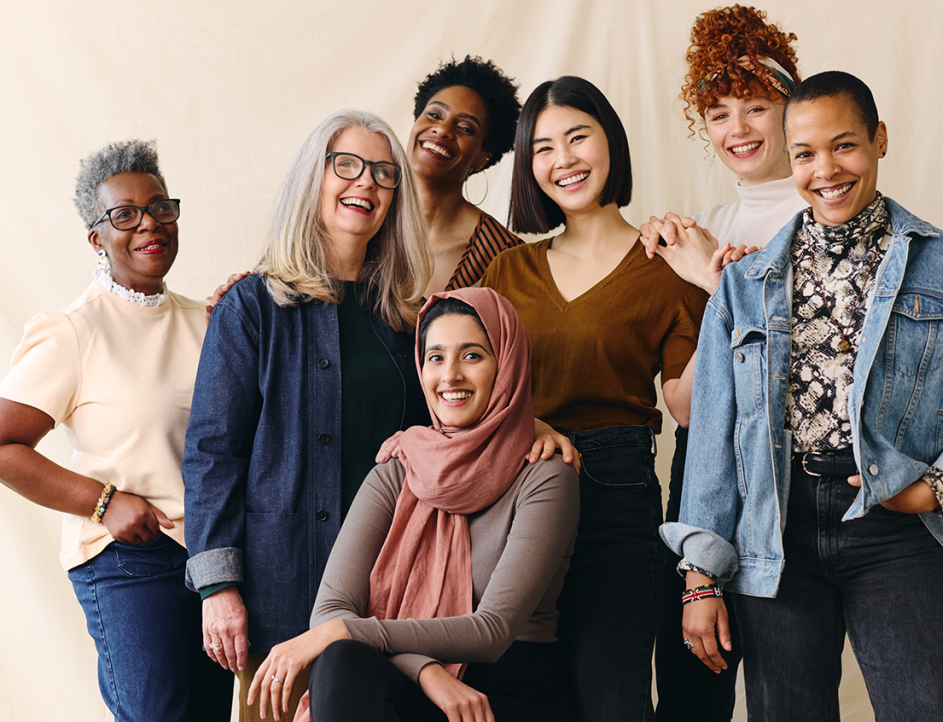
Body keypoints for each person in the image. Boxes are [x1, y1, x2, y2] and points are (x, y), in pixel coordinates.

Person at [661, 71, 943, 721]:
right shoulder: (745, 283)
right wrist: (699, 577)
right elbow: (714, 435)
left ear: (879, 140)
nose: (825, 169)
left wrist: (939, 485)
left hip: (897, 530)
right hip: (778, 533)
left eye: (844, 145)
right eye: (804, 154)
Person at [182, 109, 433, 721]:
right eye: (345, 165)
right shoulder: (253, 306)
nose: (365, 184)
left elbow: (447, 435)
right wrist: (219, 588)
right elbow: (213, 452)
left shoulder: (412, 318)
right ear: (312, 179)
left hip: (391, 585)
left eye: (383, 173)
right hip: (281, 583)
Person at [481, 76, 707, 722]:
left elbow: (685, 406)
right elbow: (471, 394)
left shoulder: (667, 264)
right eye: (543, 148)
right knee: (522, 701)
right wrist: (531, 423)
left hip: (618, 498)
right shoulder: (507, 272)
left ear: (611, 141)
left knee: (613, 701)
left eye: (578, 136)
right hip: (514, 496)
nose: (564, 159)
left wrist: (721, 297)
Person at [244, 287, 579, 722]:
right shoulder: (397, 467)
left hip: (509, 686)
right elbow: (331, 610)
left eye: (473, 355)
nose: (451, 375)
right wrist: (425, 671)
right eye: (435, 357)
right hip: (412, 682)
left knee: (341, 644)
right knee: (341, 662)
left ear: (507, 364)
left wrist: (345, 630)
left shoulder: (546, 473)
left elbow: (492, 630)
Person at [0, 139, 233, 721]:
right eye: (124, 214)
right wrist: (103, 503)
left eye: (160, 207)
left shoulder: (209, 320)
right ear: (96, 238)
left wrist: (249, 310)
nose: (148, 223)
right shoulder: (73, 330)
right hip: (129, 559)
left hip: (210, 559)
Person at [636, 6, 806, 719]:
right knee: (688, 691)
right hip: (704, 478)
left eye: (756, 107)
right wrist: (684, 262)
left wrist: (717, 283)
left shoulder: (825, 209)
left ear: (791, 108)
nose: (737, 129)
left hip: (789, 483)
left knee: (784, 690)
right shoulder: (709, 222)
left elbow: (810, 368)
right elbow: (684, 404)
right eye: (718, 112)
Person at [408, 55, 524, 296]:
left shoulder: (504, 256)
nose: (442, 129)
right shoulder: (367, 220)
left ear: (482, 158)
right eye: (435, 115)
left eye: (465, 128)